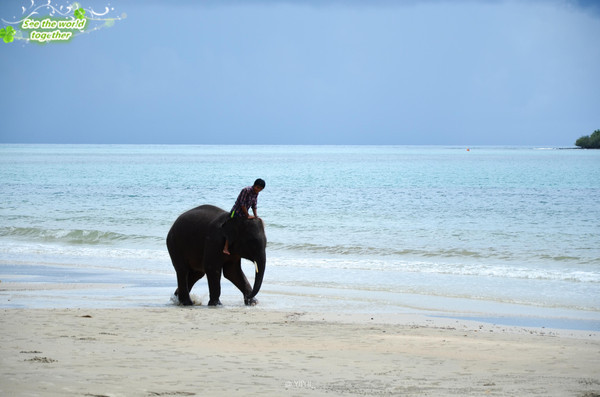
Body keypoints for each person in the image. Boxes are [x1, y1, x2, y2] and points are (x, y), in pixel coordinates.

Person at [223, 178, 265, 255]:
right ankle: (225, 248)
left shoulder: (256, 193)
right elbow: (242, 204)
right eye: (258, 187)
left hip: (244, 214)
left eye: (261, 189)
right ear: (254, 185)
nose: (258, 190)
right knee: (232, 228)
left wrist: (256, 216)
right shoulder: (246, 190)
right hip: (236, 212)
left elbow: (254, 205)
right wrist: (247, 215)